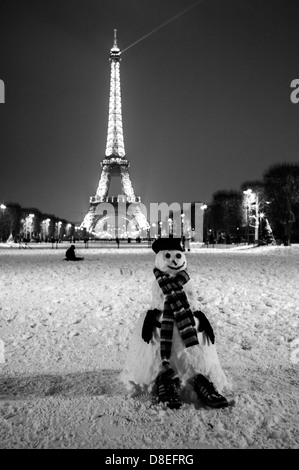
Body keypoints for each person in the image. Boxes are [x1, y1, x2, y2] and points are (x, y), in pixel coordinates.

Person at [120, 237, 232, 410]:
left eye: (178, 256)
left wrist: (199, 314)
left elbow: (192, 298)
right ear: (159, 258)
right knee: (155, 351)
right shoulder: (159, 282)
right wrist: (152, 315)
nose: (173, 260)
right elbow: (157, 300)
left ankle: (200, 378)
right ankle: (164, 379)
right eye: (168, 256)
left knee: (196, 355)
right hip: (163, 320)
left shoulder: (186, 280)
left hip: (187, 318)